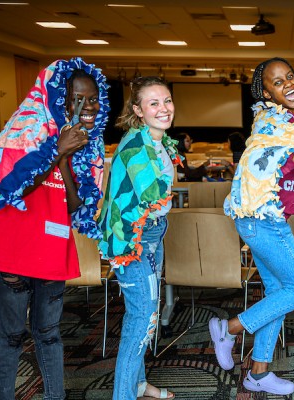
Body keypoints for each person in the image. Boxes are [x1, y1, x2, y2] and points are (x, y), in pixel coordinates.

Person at [0, 59, 109, 400]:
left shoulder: (87, 145)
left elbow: (74, 205)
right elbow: (9, 188)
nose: (89, 106)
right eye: (78, 98)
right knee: (9, 335)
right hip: (12, 247)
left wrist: (66, 157)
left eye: (94, 98)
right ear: (56, 97)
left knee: (49, 332)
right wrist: (55, 150)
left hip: (51, 249)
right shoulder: (23, 130)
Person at [212, 57, 294, 396]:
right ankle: (230, 329)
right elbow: (259, 165)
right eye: (278, 82)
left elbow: (287, 153)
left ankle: (259, 372)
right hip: (262, 222)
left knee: (278, 293)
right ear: (265, 92)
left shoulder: (288, 124)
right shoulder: (267, 122)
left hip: (265, 220)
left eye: (290, 76)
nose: (288, 84)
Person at [98, 76, 181, 400]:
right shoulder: (135, 145)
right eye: (154, 103)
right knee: (141, 318)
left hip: (152, 233)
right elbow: (152, 192)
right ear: (138, 109)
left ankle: (138, 384)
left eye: (167, 101)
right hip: (133, 240)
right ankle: (124, 395)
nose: (164, 108)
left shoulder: (156, 140)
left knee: (147, 312)